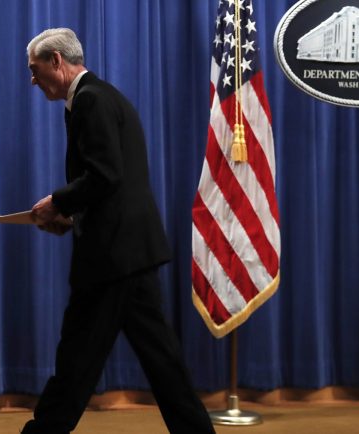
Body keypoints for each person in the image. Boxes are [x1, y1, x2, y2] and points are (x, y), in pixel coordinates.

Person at [21, 28, 216, 434]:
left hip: (111, 259)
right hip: (128, 253)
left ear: (57, 60)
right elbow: (115, 183)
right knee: (160, 363)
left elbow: (105, 175)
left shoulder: (90, 100)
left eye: (36, 70)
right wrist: (71, 219)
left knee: (77, 359)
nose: (33, 80)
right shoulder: (98, 96)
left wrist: (57, 202)